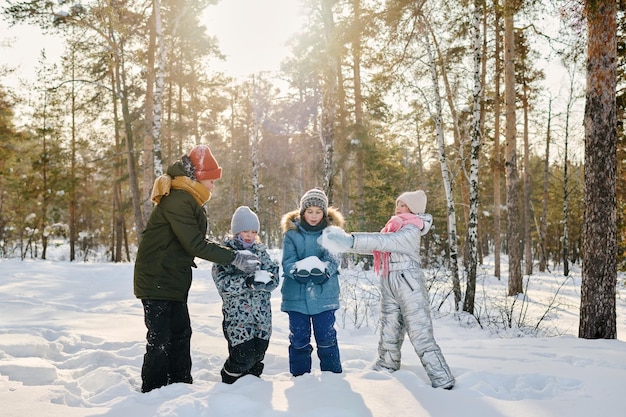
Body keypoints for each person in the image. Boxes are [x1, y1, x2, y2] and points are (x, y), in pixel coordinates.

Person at [133, 145, 260, 393]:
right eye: (211, 180)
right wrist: (234, 257)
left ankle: (180, 385)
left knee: (181, 333)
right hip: (157, 277)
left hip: (171, 278)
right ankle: (153, 390)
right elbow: (194, 243)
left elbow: (192, 242)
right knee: (160, 338)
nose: (213, 186)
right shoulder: (179, 199)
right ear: (199, 177)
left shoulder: (188, 197)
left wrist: (231, 255)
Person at [321, 190, 455, 389]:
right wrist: (347, 244)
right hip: (389, 279)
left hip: (409, 283)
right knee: (389, 328)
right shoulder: (393, 227)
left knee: (420, 333)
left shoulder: (411, 229)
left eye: (402, 205)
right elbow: (376, 246)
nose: (397, 207)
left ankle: (442, 378)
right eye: (398, 204)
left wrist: (351, 240)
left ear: (413, 209)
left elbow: (384, 242)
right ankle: (387, 365)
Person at [280, 188, 344, 377]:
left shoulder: (332, 234)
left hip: (324, 295)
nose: (314, 216)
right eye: (310, 211)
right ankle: (300, 378)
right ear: (302, 212)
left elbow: (333, 259)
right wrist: (295, 272)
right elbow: (287, 261)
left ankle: (332, 378)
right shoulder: (291, 234)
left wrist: (325, 272)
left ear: (324, 213)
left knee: (326, 337)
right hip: (296, 296)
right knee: (299, 338)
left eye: (318, 212)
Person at [212, 206, 280, 384]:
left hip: (262, 316)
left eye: (253, 231)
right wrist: (246, 282)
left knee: (257, 357)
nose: (249, 235)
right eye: (245, 231)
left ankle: (252, 390)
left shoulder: (261, 251)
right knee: (243, 356)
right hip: (238, 317)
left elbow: (273, 272)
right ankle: (228, 381)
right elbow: (222, 284)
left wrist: (270, 281)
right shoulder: (226, 253)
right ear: (236, 231)